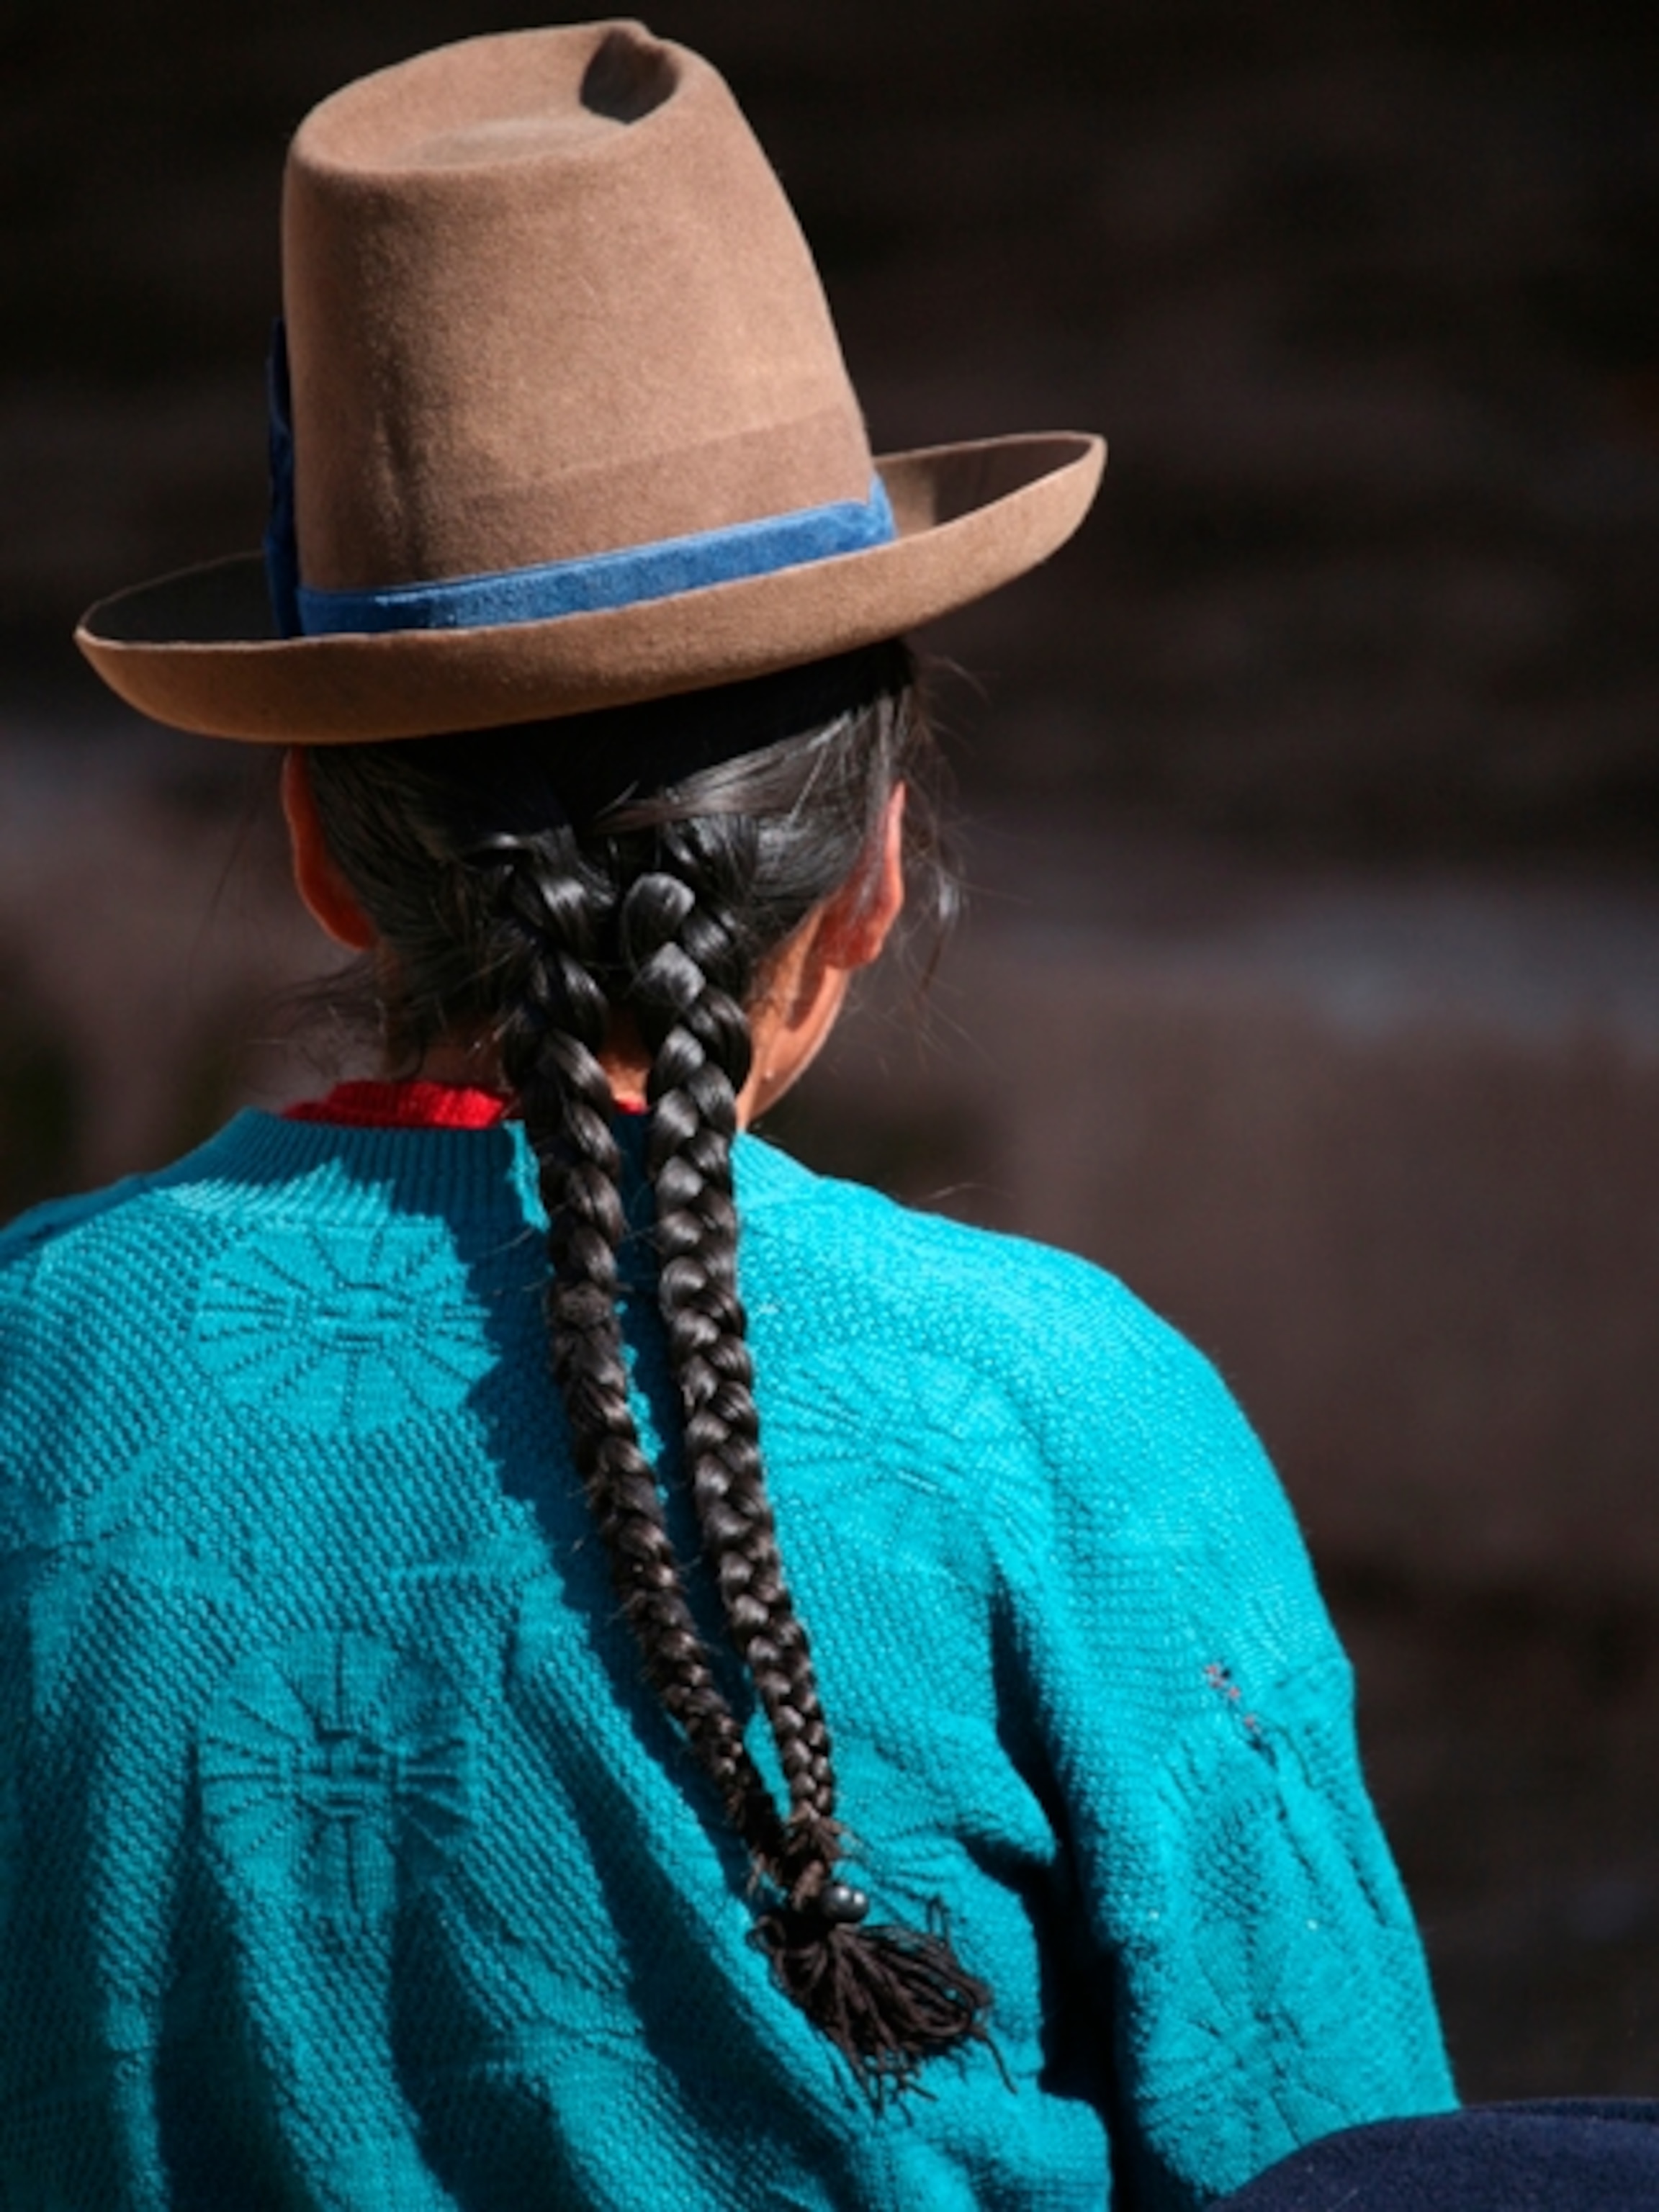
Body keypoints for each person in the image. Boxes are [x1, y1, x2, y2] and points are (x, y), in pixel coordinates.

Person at [4, 23, 1457, 2209]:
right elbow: (1351, 2162)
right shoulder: (1056, 1417)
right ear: (873, 866)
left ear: (319, 850)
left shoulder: (33, 1362)